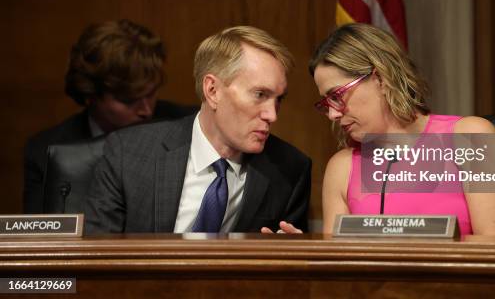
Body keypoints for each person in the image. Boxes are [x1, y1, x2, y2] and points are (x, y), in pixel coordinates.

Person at [264, 23, 495, 236]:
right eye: (326, 103)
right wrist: (310, 253)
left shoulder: (470, 136)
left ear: (380, 78)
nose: (332, 113)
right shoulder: (341, 168)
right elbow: (341, 269)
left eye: (337, 96)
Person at [84, 26, 311, 233]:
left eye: (278, 99)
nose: (272, 115)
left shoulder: (289, 169)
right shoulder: (129, 153)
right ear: (212, 90)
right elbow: (97, 258)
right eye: (260, 95)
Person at [24, 19, 196, 214]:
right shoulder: (45, 151)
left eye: (151, 94)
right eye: (128, 100)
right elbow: (41, 237)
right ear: (90, 95)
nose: (146, 110)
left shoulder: (188, 126)